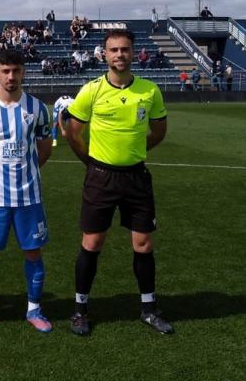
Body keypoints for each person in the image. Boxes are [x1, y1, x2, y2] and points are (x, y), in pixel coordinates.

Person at [65, 29, 173, 336]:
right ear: (105, 53)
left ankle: (149, 309)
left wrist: (136, 151)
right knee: (92, 243)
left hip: (137, 177)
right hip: (101, 178)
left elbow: (159, 130)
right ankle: (80, 310)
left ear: (133, 52)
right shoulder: (91, 90)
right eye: (113, 50)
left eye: (125, 49)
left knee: (143, 243)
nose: (119, 54)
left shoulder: (149, 91)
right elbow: (73, 133)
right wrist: (92, 162)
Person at [0, 49, 53, 333]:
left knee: (33, 252)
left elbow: (43, 148)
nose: (11, 76)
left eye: (16, 70)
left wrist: (25, 172)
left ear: (23, 72)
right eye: (5, 71)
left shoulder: (38, 108)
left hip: (29, 196)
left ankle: (34, 308)